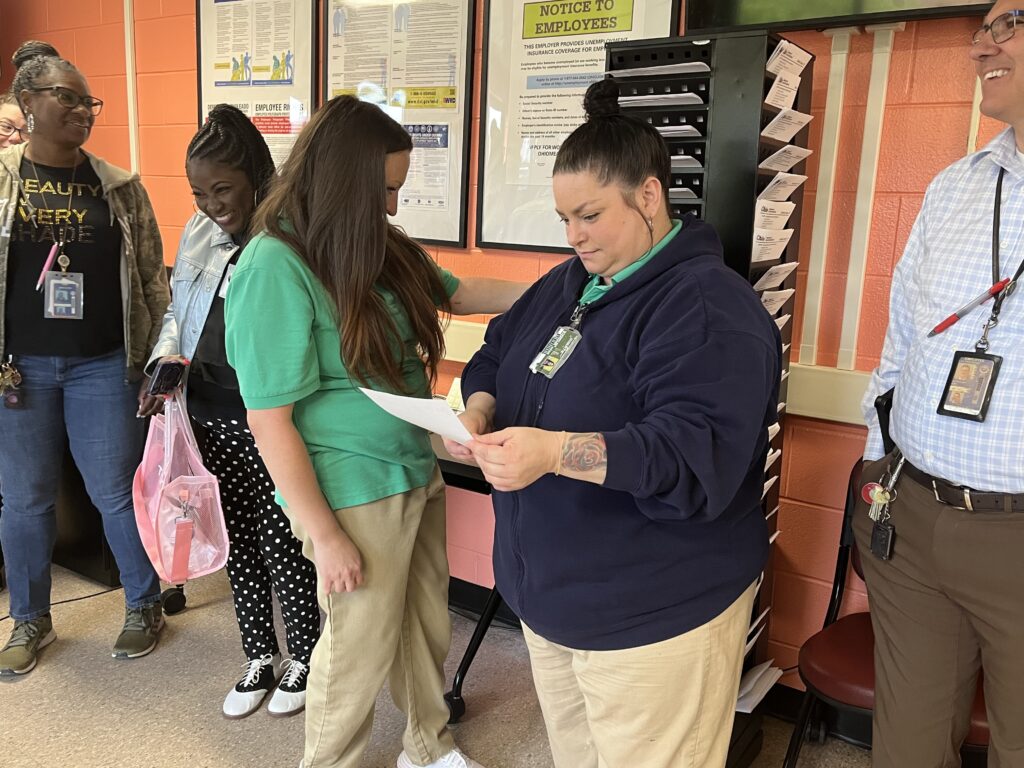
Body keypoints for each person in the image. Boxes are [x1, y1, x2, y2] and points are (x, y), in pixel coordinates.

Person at [444, 78, 781, 768]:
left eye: (590, 215)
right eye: (564, 217)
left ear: (650, 196)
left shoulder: (707, 307)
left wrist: (555, 451)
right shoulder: (568, 283)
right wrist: (478, 404)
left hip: (655, 613)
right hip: (553, 598)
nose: (573, 236)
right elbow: (497, 351)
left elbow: (691, 459)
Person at [223, 96, 526, 768]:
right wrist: (326, 537)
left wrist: (564, 283)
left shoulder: (372, 243)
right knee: (357, 645)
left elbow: (459, 289)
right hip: (349, 488)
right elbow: (268, 422)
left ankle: (428, 743)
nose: (393, 206)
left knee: (424, 623)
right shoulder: (274, 265)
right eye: (385, 189)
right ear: (345, 182)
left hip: (410, 465)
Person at [859, 2, 1024, 765]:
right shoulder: (955, 187)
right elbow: (899, 339)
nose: (980, 45)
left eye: (1009, 23)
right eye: (980, 29)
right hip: (912, 517)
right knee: (908, 749)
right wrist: (874, 455)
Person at [144, 104, 321, 719]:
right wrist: (162, 369)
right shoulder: (198, 231)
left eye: (223, 188)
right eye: (199, 192)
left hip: (270, 413)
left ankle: (303, 651)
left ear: (256, 175)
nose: (212, 204)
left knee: (283, 539)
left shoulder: (289, 231)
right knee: (236, 537)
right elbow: (178, 310)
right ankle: (257, 654)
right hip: (209, 406)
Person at [0, 41, 170, 675]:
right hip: (19, 368)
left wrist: (158, 359)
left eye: (88, 100)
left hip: (104, 362)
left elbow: (153, 280)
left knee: (115, 493)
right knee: (24, 498)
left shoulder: (120, 188)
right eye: (66, 98)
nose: (82, 110)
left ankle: (143, 603)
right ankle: (30, 619)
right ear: (28, 103)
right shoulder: (2, 181)